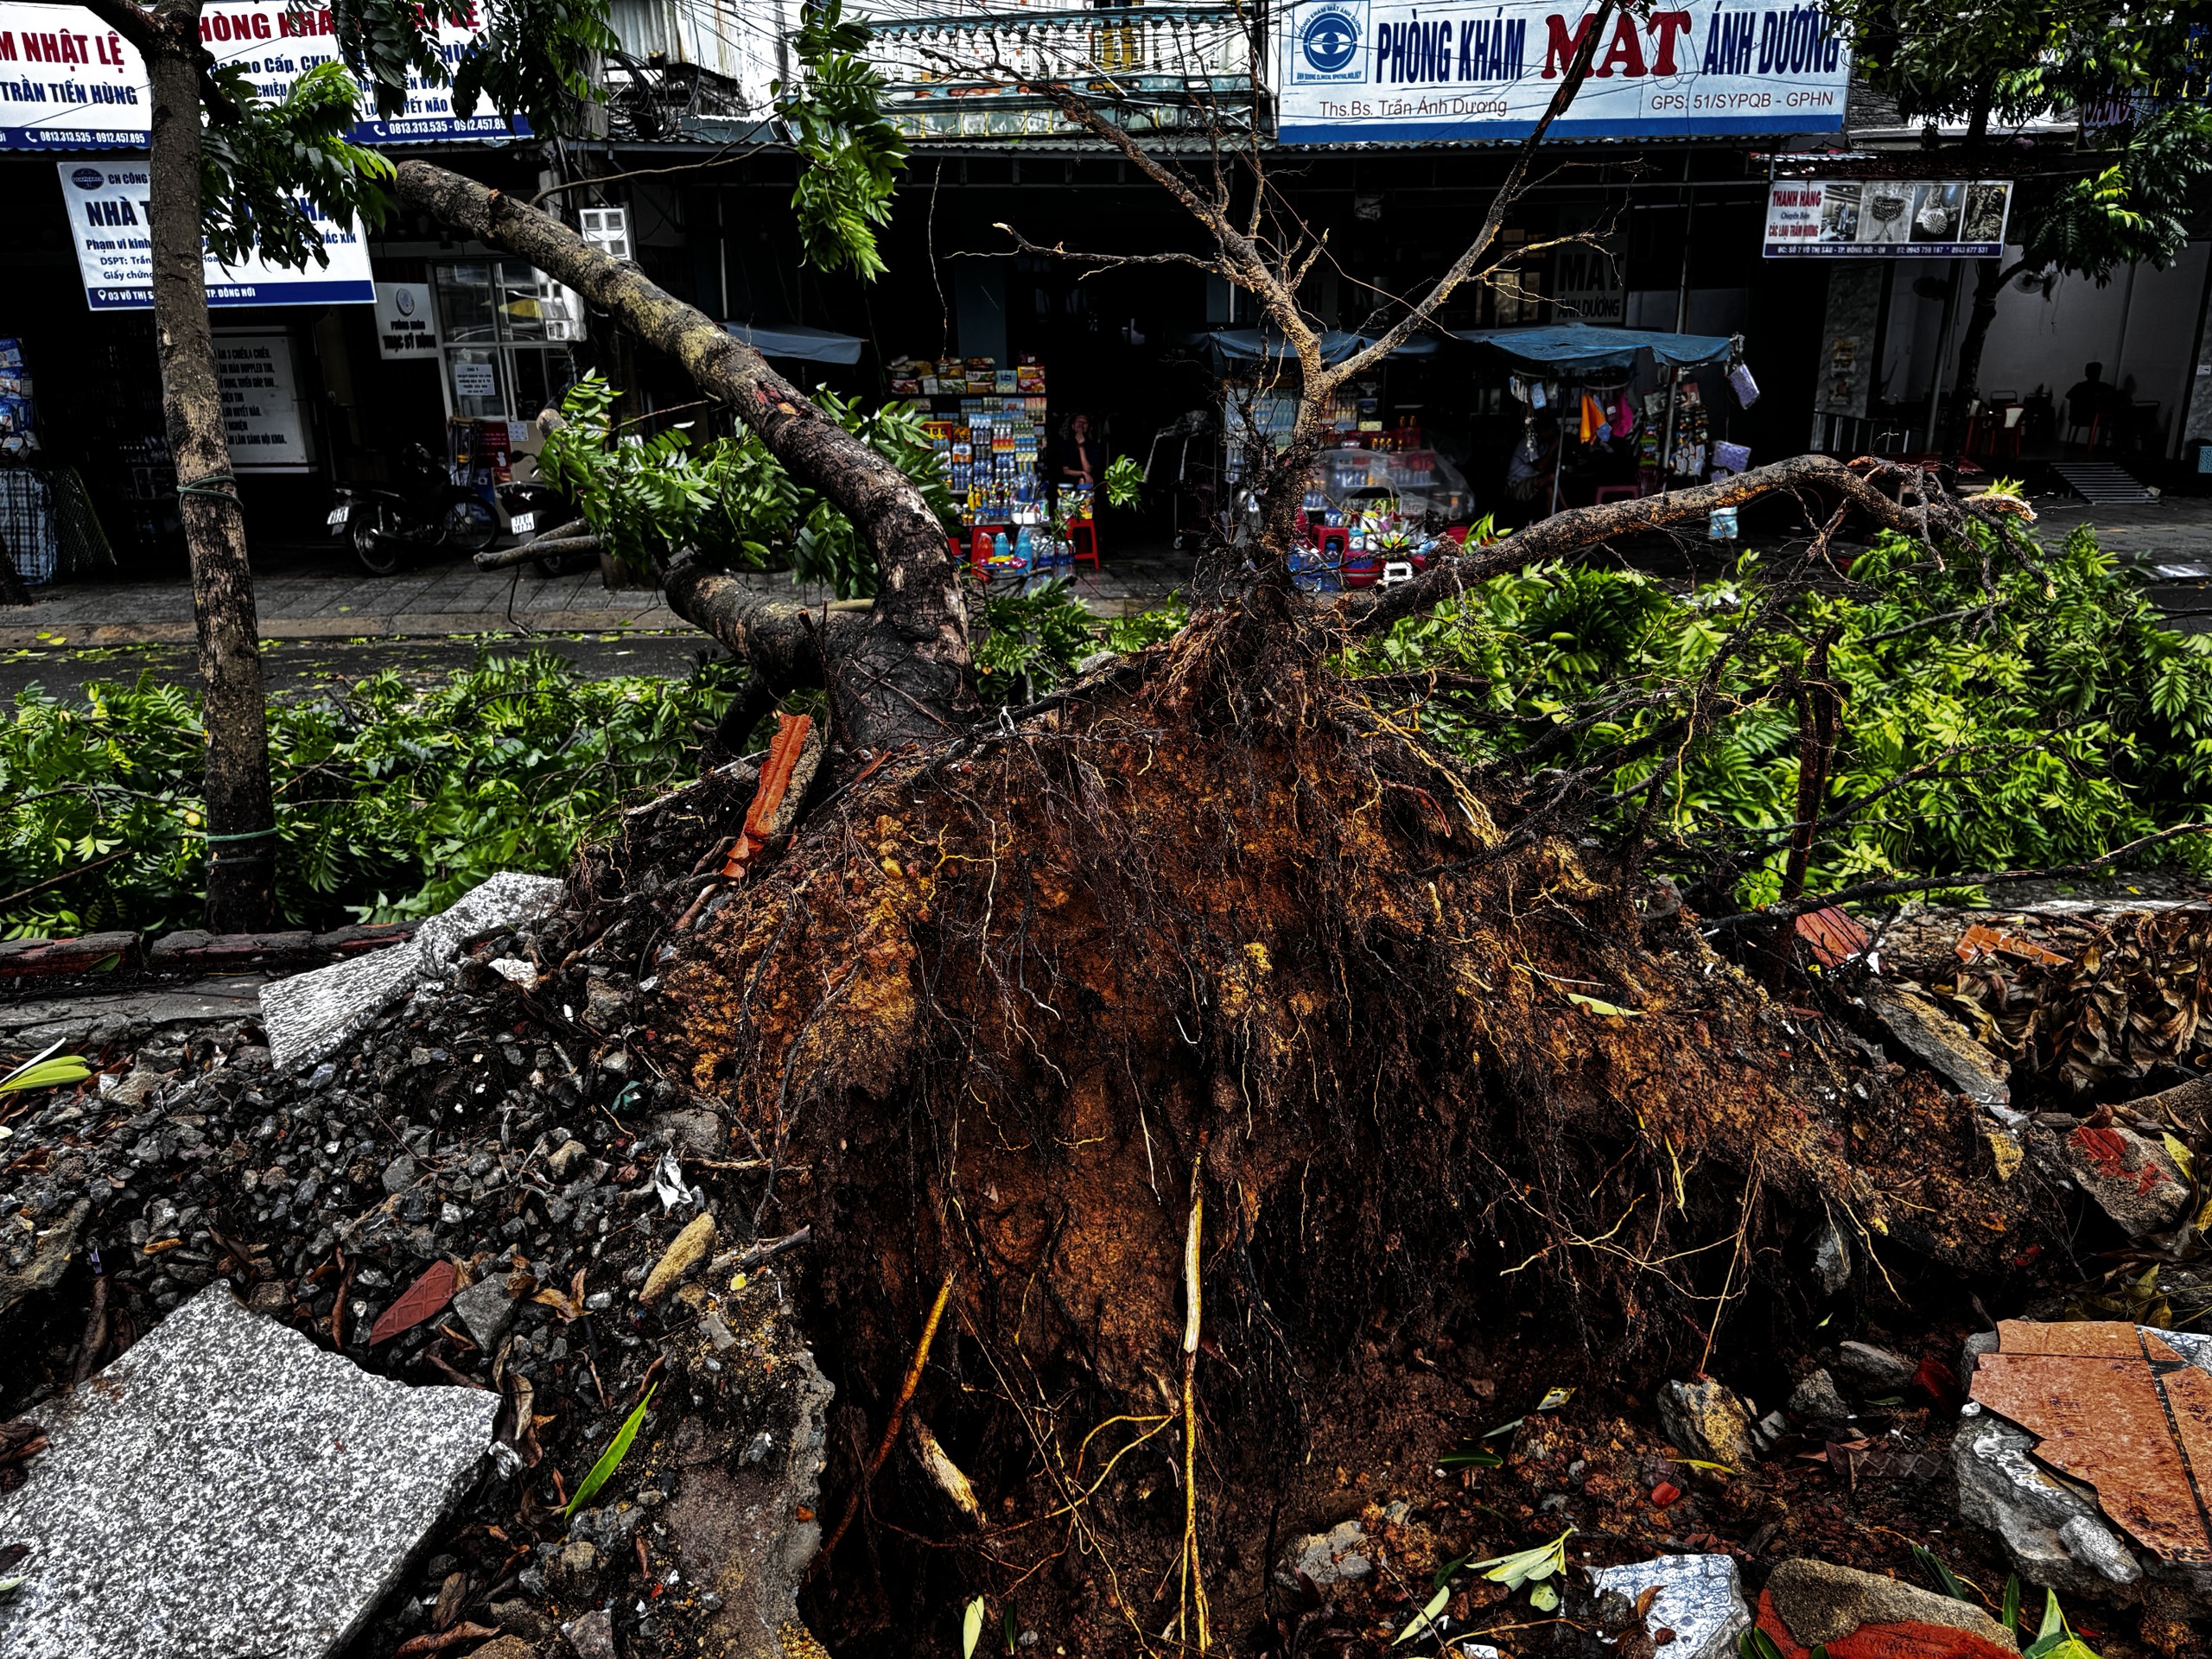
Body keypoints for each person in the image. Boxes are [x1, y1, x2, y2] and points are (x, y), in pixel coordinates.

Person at [2063, 363, 2120, 434]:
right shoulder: (2080, 387)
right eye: (2093, 372)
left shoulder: (2103, 387)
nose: (2096, 374)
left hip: (2095, 416)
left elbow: (2116, 395)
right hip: (2083, 416)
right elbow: (2069, 395)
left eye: (2097, 372)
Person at [1058, 412, 1103, 490]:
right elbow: (1065, 470)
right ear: (1073, 426)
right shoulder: (1065, 445)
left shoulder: (1094, 447)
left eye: (1084, 422)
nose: (1081, 424)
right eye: (1078, 422)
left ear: (1090, 428)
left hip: (1088, 487)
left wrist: (1081, 447)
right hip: (1068, 487)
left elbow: (1088, 469)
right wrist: (1083, 473)